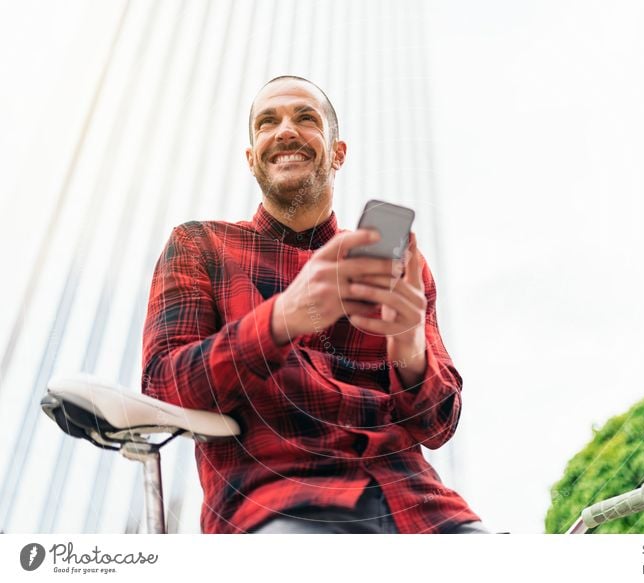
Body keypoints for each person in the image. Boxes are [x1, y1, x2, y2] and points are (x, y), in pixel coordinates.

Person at [141, 75, 487, 534]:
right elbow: (162, 387)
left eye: (305, 118)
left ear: (337, 152)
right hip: (280, 504)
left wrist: (408, 348)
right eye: (268, 122)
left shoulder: (400, 269)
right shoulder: (200, 245)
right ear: (252, 159)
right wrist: (284, 317)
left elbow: (439, 426)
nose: (285, 130)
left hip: (424, 510)